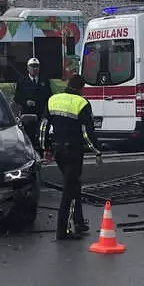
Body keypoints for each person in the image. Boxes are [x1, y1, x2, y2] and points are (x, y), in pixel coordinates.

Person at [39, 74, 102, 240]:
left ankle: (79, 222)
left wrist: (45, 148)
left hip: (58, 151)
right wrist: (97, 151)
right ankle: (63, 230)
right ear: (81, 88)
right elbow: (87, 133)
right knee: (69, 191)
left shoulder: (53, 99)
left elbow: (44, 126)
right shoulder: (82, 103)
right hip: (73, 153)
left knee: (74, 186)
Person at [14, 57, 52, 149]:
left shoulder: (44, 80)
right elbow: (17, 98)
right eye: (32, 66)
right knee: (29, 137)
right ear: (28, 68)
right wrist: (26, 102)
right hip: (28, 114)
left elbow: (49, 96)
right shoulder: (22, 81)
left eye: (36, 66)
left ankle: (42, 153)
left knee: (42, 136)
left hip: (41, 113)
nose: (35, 69)